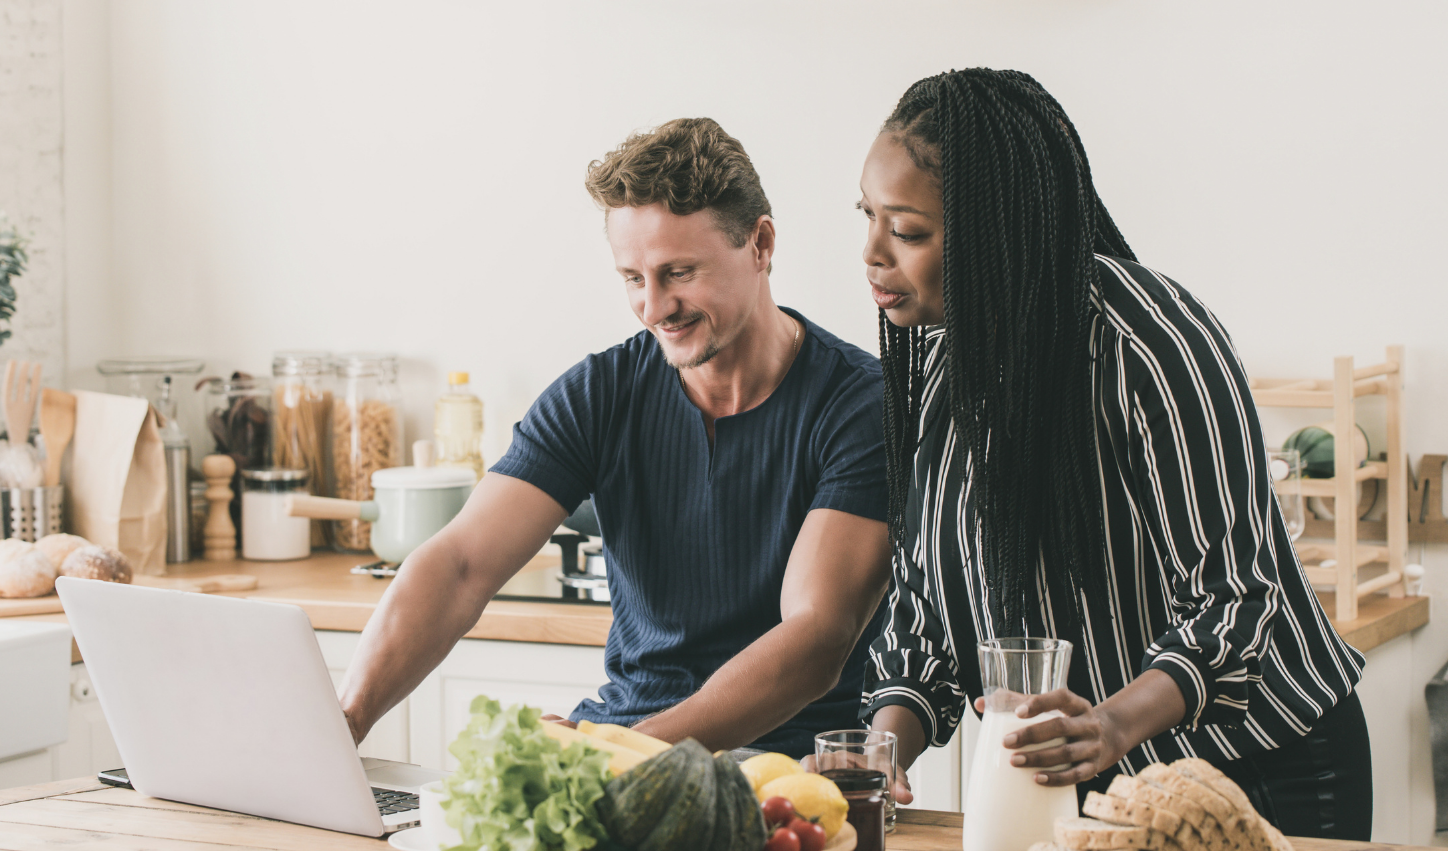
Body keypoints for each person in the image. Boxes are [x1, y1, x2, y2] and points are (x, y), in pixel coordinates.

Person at [853, 69, 1371, 839]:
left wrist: (1110, 725)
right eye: (866, 218)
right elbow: (924, 614)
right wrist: (880, 751)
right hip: (1101, 786)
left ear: (998, 229)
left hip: (1260, 768)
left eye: (908, 232)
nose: (871, 254)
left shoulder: (1150, 344)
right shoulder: (942, 369)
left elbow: (1236, 599)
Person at [339, 118, 892, 756]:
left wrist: (610, 757)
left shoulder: (860, 404)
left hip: (789, 766)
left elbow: (816, 636)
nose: (654, 308)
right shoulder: (601, 393)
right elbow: (461, 565)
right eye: (633, 278)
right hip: (624, 738)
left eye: (679, 272)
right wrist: (346, 721)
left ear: (761, 243)